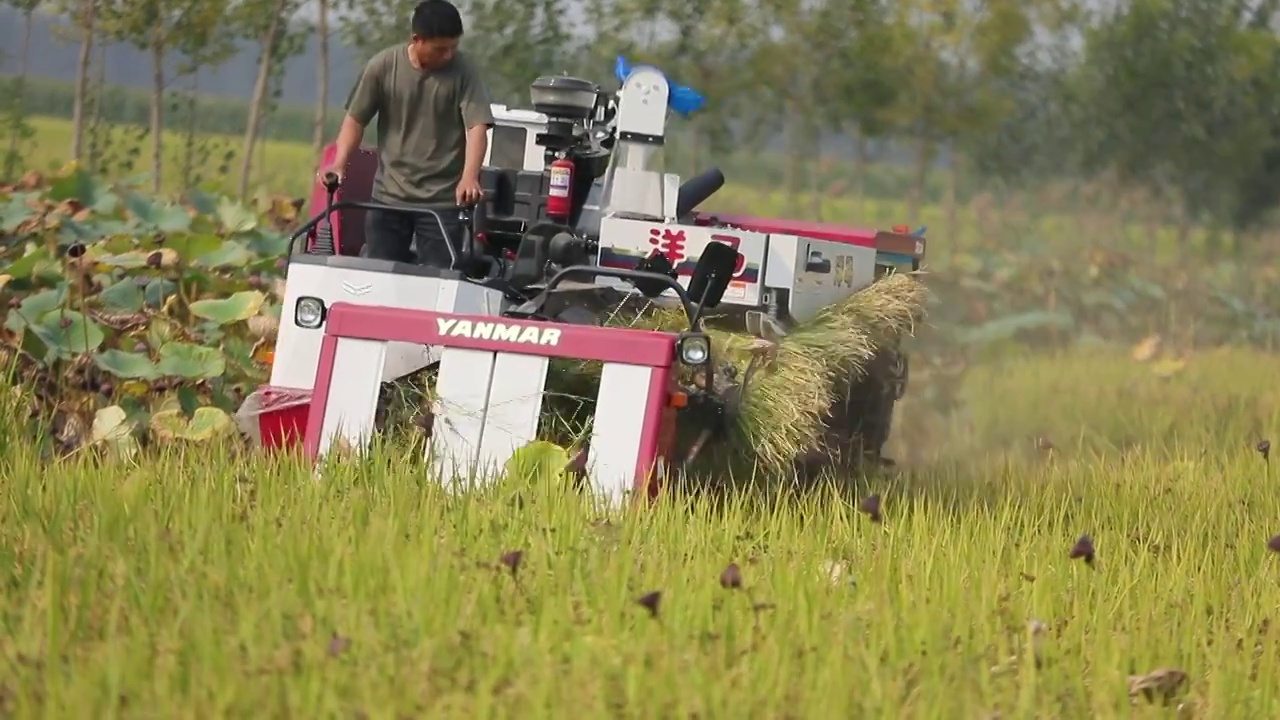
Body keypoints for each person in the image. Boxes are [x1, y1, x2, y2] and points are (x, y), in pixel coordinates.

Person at [320, 0, 495, 267]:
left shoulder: (464, 71)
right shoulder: (383, 66)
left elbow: (477, 126)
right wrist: (340, 163)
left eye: (453, 47)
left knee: (439, 280)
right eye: (440, 49)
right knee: (378, 274)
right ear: (417, 40)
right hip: (389, 197)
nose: (448, 55)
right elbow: (355, 120)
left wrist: (469, 177)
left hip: (442, 201)